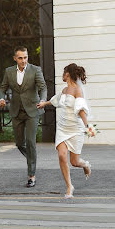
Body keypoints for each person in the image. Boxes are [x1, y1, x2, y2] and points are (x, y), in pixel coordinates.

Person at [37, 63, 91, 198]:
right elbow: (56, 100)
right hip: (62, 128)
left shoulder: (77, 90)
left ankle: (85, 165)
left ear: (68, 74)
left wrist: (88, 126)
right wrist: (45, 103)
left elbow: (81, 109)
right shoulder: (65, 90)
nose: (62, 74)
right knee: (62, 155)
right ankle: (69, 186)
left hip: (75, 129)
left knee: (74, 162)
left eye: (64, 72)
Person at [0, 46, 47, 188]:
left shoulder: (35, 70)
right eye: (20, 58)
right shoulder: (9, 72)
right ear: (15, 59)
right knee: (19, 143)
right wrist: (1, 99)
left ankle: (31, 175)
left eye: (25, 57)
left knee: (30, 142)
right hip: (16, 111)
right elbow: (2, 88)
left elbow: (42, 87)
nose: (23, 60)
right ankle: (32, 159)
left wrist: (43, 100)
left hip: (33, 110)